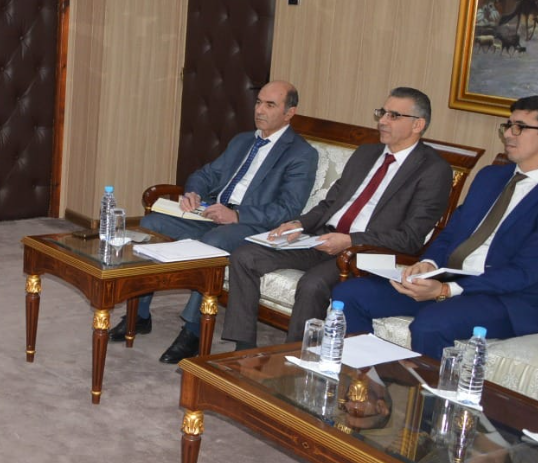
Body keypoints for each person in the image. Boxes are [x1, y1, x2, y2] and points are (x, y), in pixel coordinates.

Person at [222, 87, 453, 349]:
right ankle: (243, 349)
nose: (382, 121)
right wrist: (300, 223)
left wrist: (350, 240)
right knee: (245, 256)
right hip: (322, 238)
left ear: (418, 125)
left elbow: (409, 238)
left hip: (366, 252)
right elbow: (330, 203)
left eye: (393, 115)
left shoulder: (433, 170)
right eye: (382, 113)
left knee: (313, 285)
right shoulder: (366, 154)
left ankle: (296, 357)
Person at [110, 81, 318, 364]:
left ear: (289, 112)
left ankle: (193, 330)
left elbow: (288, 208)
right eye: (258, 102)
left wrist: (237, 215)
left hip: (251, 227)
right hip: (210, 214)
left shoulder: (301, 154)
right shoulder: (242, 141)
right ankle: (139, 314)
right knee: (152, 224)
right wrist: (193, 193)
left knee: (214, 242)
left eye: (270, 105)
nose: (260, 110)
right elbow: (205, 174)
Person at [333, 95, 538, 358]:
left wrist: (445, 289)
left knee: (430, 325)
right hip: (449, 278)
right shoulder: (491, 177)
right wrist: (429, 264)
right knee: (350, 293)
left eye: (520, 127)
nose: (509, 134)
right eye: (508, 125)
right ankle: (366, 377)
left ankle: (417, 387)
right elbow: (452, 232)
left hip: (506, 298)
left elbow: (523, 273)